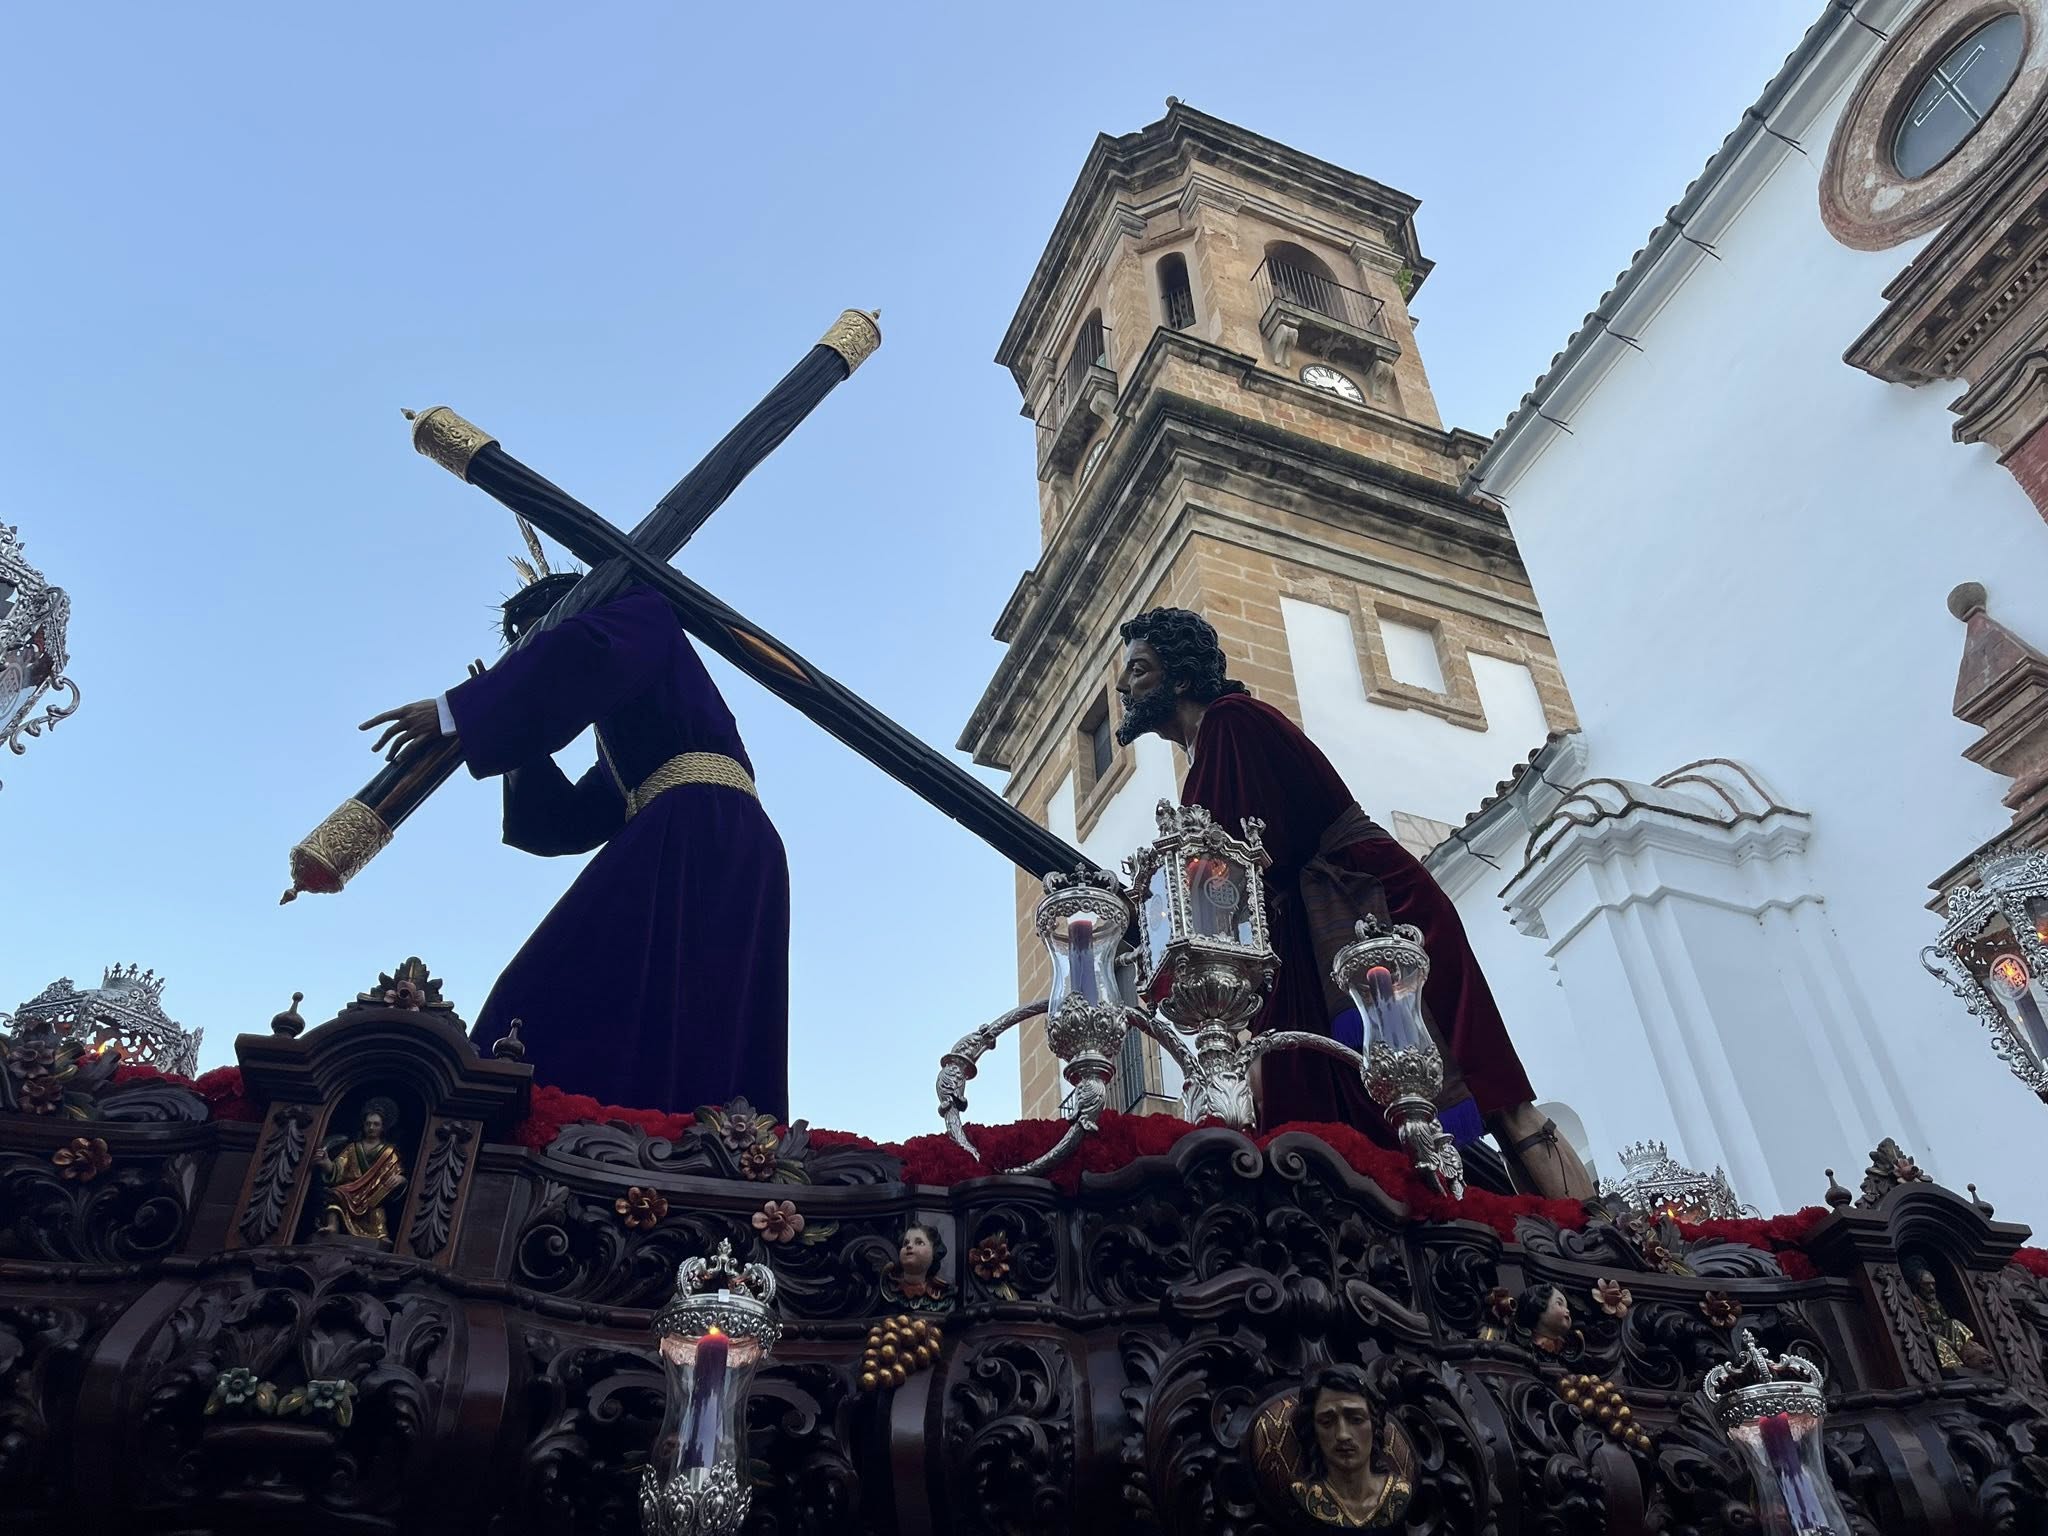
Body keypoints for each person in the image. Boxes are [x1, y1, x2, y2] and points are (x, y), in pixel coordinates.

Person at [1115, 607, 1593, 1200]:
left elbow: (1245, 857)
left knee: (1483, 1084)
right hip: (1318, 926)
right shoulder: (1213, 742)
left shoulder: (1232, 722)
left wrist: (1159, 914)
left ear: (1180, 678)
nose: (1123, 687)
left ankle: (1588, 1230)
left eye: (1139, 669)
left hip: (1373, 907)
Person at [361, 568, 790, 1118]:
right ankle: (645, 1128)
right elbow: (564, 824)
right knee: (654, 1005)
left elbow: (581, 652)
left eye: (530, 639)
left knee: (544, 993)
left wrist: (465, 707)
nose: (523, 656)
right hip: (690, 833)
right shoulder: (635, 740)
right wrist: (514, 733)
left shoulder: (640, 610)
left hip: (705, 829)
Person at [1287, 1365, 1412, 1528]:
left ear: (1374, 1425)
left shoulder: (1398, 1494)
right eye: (1327, 1422)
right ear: (1313, 1431)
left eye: (1356, 1419)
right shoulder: (1305, 1496)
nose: (1342, 1435)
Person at [316, 1097, 407, 1242]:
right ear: (363, 1125)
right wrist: (326, 1161)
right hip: (350, 1190)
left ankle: (381, 1234)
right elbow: (337, 1169)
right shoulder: (353, 1148)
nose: (371, 1128)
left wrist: (401, 1179)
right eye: (368, 1124)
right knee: (335, 1194)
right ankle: (332, 1225)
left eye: (376, 1124)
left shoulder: (389, 1152)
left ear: (383, 1127)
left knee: (376, 1206)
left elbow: (396, 1173)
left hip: (373, 1193)